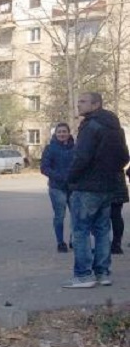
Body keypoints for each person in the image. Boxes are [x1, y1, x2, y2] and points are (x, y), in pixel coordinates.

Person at [64, 92, 130, 288]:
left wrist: (70, 178)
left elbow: (82, 157)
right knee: (102, 231)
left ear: (96, 104)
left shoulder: (91, 126)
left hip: (87, 186)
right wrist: (109, 171)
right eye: (79, 101)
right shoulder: (114, 126)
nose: (78, 105)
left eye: (83, 101)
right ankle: (102, 273)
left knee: (81, 231)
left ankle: (84, 275)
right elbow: (124, 157)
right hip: (107, 187)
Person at [40, 123, 75, 253]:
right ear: (55, 134)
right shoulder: (50, 148)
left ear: (69, 133)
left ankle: (74, 240)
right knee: (60, 216)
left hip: (73, 187)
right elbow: (44, 168)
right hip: (57, 187)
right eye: (59, 132)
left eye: (64, 131)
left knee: (76, 215)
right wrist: (59, 176)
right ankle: (60, 242)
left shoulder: (76, 148)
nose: (62, 134)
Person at [111, 170, 129, 255]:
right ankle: (117, 243)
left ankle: (102, 244)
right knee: (116, 215)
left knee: (102, 217)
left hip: (105, 185)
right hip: (119, 185)